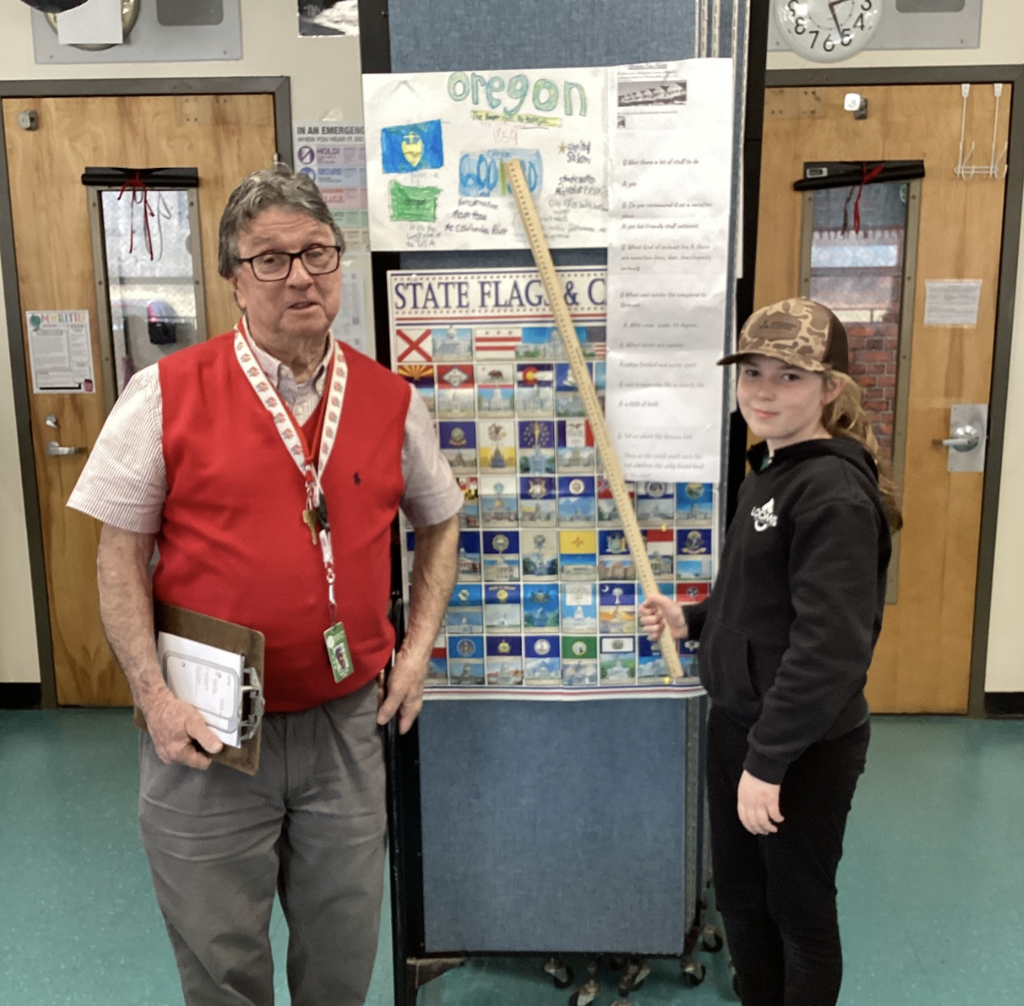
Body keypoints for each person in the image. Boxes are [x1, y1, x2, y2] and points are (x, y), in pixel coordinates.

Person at [68, 164, 462, 1006]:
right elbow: (116, 556)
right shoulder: (163, 394)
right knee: (221, 963)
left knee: (341, 955)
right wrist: (151, 694)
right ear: (234, 279)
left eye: (317, 253)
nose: (300, 278)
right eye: (270, 260)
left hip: (345, 725)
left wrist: (419, 651)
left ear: (341, 263)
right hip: (204, 730)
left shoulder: (391, 400)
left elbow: (442, 521)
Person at [640, 298, 901, 1006]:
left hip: (799, 747)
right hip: (740, 728)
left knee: (799, 910)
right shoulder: (771, 469)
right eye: (751, 371)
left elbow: (830, 648)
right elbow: (760, 599)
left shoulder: (831, 494)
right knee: (744, 902)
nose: (762, 390)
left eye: (789, 376)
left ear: (831, 390)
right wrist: (694, 620)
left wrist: (769, 759)